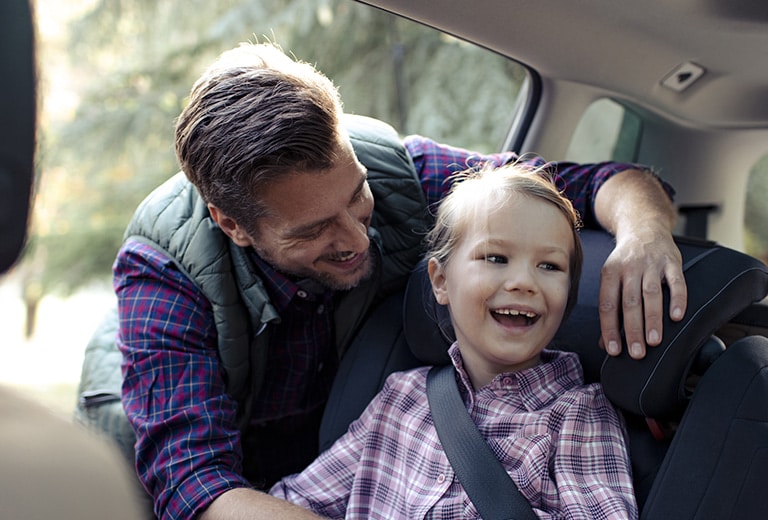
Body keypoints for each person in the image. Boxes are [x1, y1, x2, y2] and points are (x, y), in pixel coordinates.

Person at [77, 41, 684, 519]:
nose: (357, 238)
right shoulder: (165, 270)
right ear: (233, 225)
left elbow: (584, 183)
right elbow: (194, 487)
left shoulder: (400, 173)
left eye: (356, 195)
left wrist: (643, 234)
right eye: (314, 229)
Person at [270, 163, 637, 519]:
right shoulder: (400, 398)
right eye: (496, 257)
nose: (524, 281)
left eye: (550, 266)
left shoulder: (579, 413)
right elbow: (301, 500)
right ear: (441, 281)